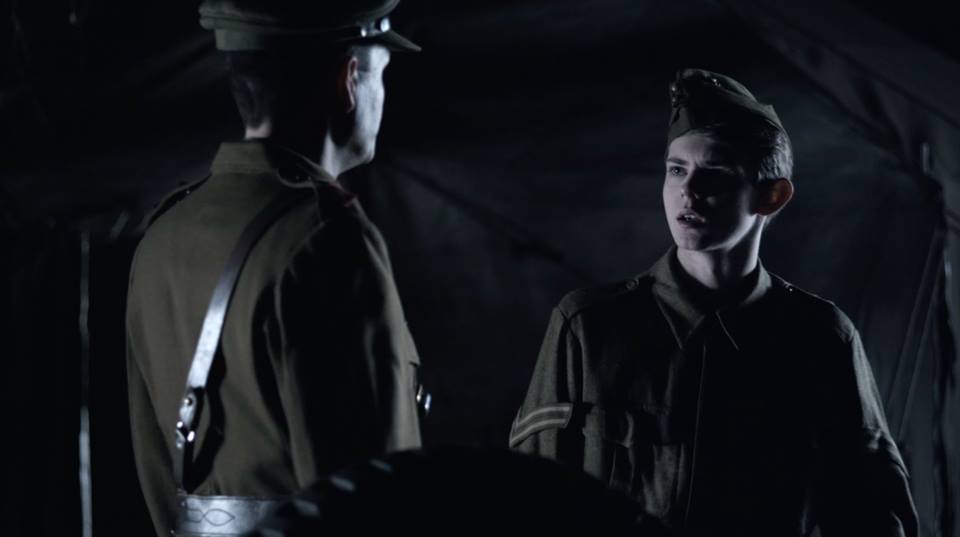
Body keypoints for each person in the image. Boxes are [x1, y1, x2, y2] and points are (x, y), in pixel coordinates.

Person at [510, 68, 918, 537]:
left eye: (715, 173)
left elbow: (874, 517)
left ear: (772, 196)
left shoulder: (820, 338)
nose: (688, 191)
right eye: (677, 170)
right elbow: (531, 499)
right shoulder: (589, 326)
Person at [125, 2, 424, 536]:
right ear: (349, 80)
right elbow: (369, 501)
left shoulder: (161, 236)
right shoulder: (325, 240)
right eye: (381, 74)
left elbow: (159, 481)